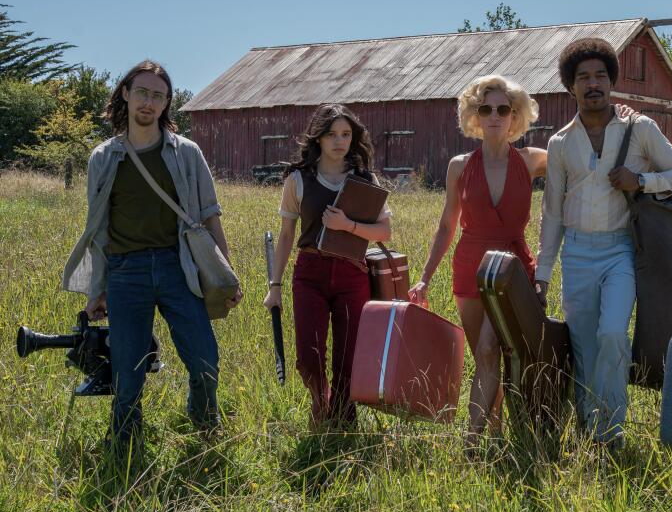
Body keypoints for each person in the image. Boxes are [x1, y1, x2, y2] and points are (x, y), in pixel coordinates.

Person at [61, 60, 242, 447]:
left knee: (205, 358)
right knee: (128, 367)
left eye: (158, 96)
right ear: (125, 94)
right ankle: (126, 438)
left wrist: (226, 275)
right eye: (142, 92)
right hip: (127, 273)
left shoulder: (186, 153)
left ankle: (204, 423)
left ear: (166, 104)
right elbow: (99, 230)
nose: (149, 102)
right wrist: (98, 288)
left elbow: (210, 216)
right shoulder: (104, 157)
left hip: (180, 268)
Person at [535, 38, 672, 450]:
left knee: (612, 335)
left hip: (620, 249)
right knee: (584, 342)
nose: (593, 85)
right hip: (577, 253)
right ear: (571, 86)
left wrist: (642, 181)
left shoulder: (639, 128)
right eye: (583, 77)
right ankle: (590, 428)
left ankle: (613, 429)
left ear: (611, 82)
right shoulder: (559, 143)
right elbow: (552, 212)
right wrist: (543, 274)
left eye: (600, 76)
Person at [409, 75, 545, 449]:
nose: (495, 115)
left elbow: (576, 150)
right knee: (484, 357)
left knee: (489, 348)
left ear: (516, 115)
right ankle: (497, 436)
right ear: (475, 115)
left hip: (510, 268)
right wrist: (424, 278)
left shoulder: (532, 161)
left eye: (504, 109)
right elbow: (445, 225)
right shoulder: (459, 166)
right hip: (469, 266)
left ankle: (469, 445)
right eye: (486, 109)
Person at [263, 104, 392, 430]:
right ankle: (320, 406)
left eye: (346, 134)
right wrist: (274, 287)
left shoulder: (365, 179)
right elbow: (287, 235)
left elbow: (384, 231)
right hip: (310, 273)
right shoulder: (298, 179)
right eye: (332, 134)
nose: (339, 141)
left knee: (348, 357)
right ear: (318, 137)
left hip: (352, 273)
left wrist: (347, 225)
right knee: (309, 357)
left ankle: (344, 425)